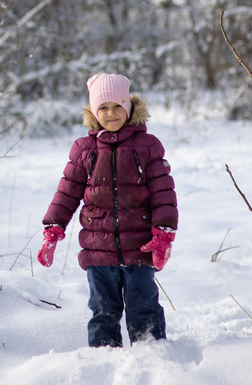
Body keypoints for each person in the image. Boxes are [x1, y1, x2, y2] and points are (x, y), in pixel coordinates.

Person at [37, 73, 177, 348]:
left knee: (143, 306)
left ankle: (152, 351)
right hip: (97, 248)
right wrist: (53, 228)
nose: (111, 113)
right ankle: (103, 354)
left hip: (140, 247)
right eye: (103, 107)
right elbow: (67, 192)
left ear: (128, 108)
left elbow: (164, 193)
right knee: (103, 309)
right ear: (93, 112)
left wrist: (163, 233)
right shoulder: (84, 149)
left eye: (117, 106)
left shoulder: (147, 147)